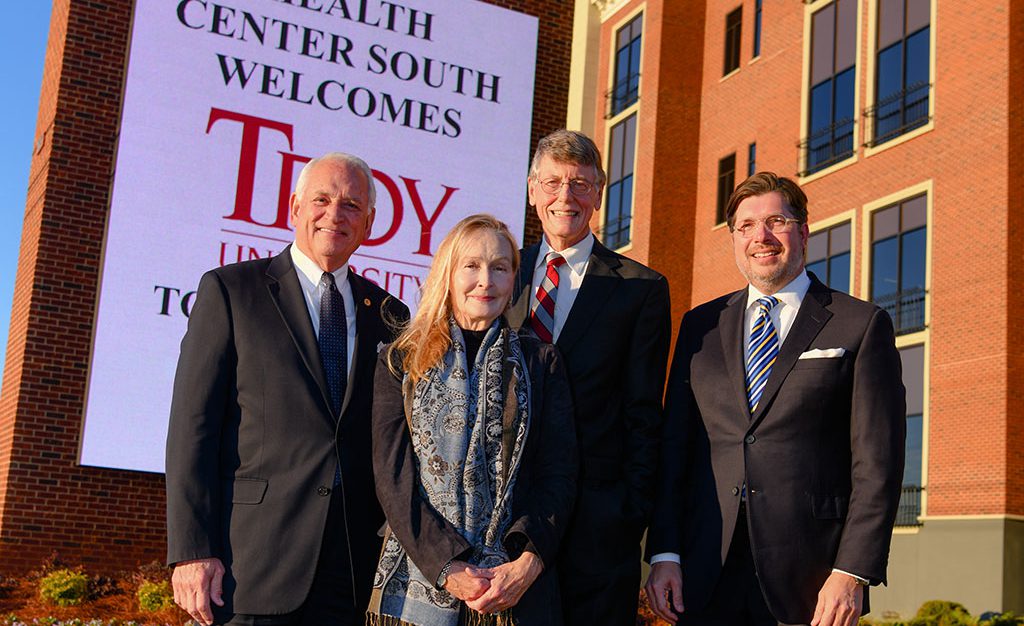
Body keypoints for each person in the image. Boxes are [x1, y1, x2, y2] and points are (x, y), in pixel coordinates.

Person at [644, 172, 906, 626]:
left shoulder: (860, 325)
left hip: (811, 579)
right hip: (706, 571)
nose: (760, 237)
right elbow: (675, 450)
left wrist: (852, 572)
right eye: (745, 226)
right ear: (733, 239)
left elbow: (877, 463)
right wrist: (665, 552)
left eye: (776, 221)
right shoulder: (699, 327)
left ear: (803, 231)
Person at [165, 152, 409, 625]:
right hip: (250, 566)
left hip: (353, 571)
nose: (334, 214)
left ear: (370, 223)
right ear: (295, 207)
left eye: (351, 205)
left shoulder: (391, 316)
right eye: (321, 199)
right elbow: (193, 428)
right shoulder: (231, 292)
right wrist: (193, 550)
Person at [369, 214, 577, 626]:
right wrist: (447, 566)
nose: (486, 280)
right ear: (448, 272)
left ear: (514, 280)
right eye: (472, 265)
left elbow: (559, 474)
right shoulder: (401, 361)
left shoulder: (541, 363)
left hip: (512, 588)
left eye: (500, 268)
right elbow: (393, 478)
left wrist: (528, 562)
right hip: (415, 585)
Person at [506, 129, 672, 625]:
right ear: (533, 189)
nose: (566, 197)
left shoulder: (641, 291)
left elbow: (644, 415)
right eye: (553, 182)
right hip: (497, 523)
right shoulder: (498, 275)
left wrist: (626, 516)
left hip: (596, 533)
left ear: (599, 193)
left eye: (580, 184)